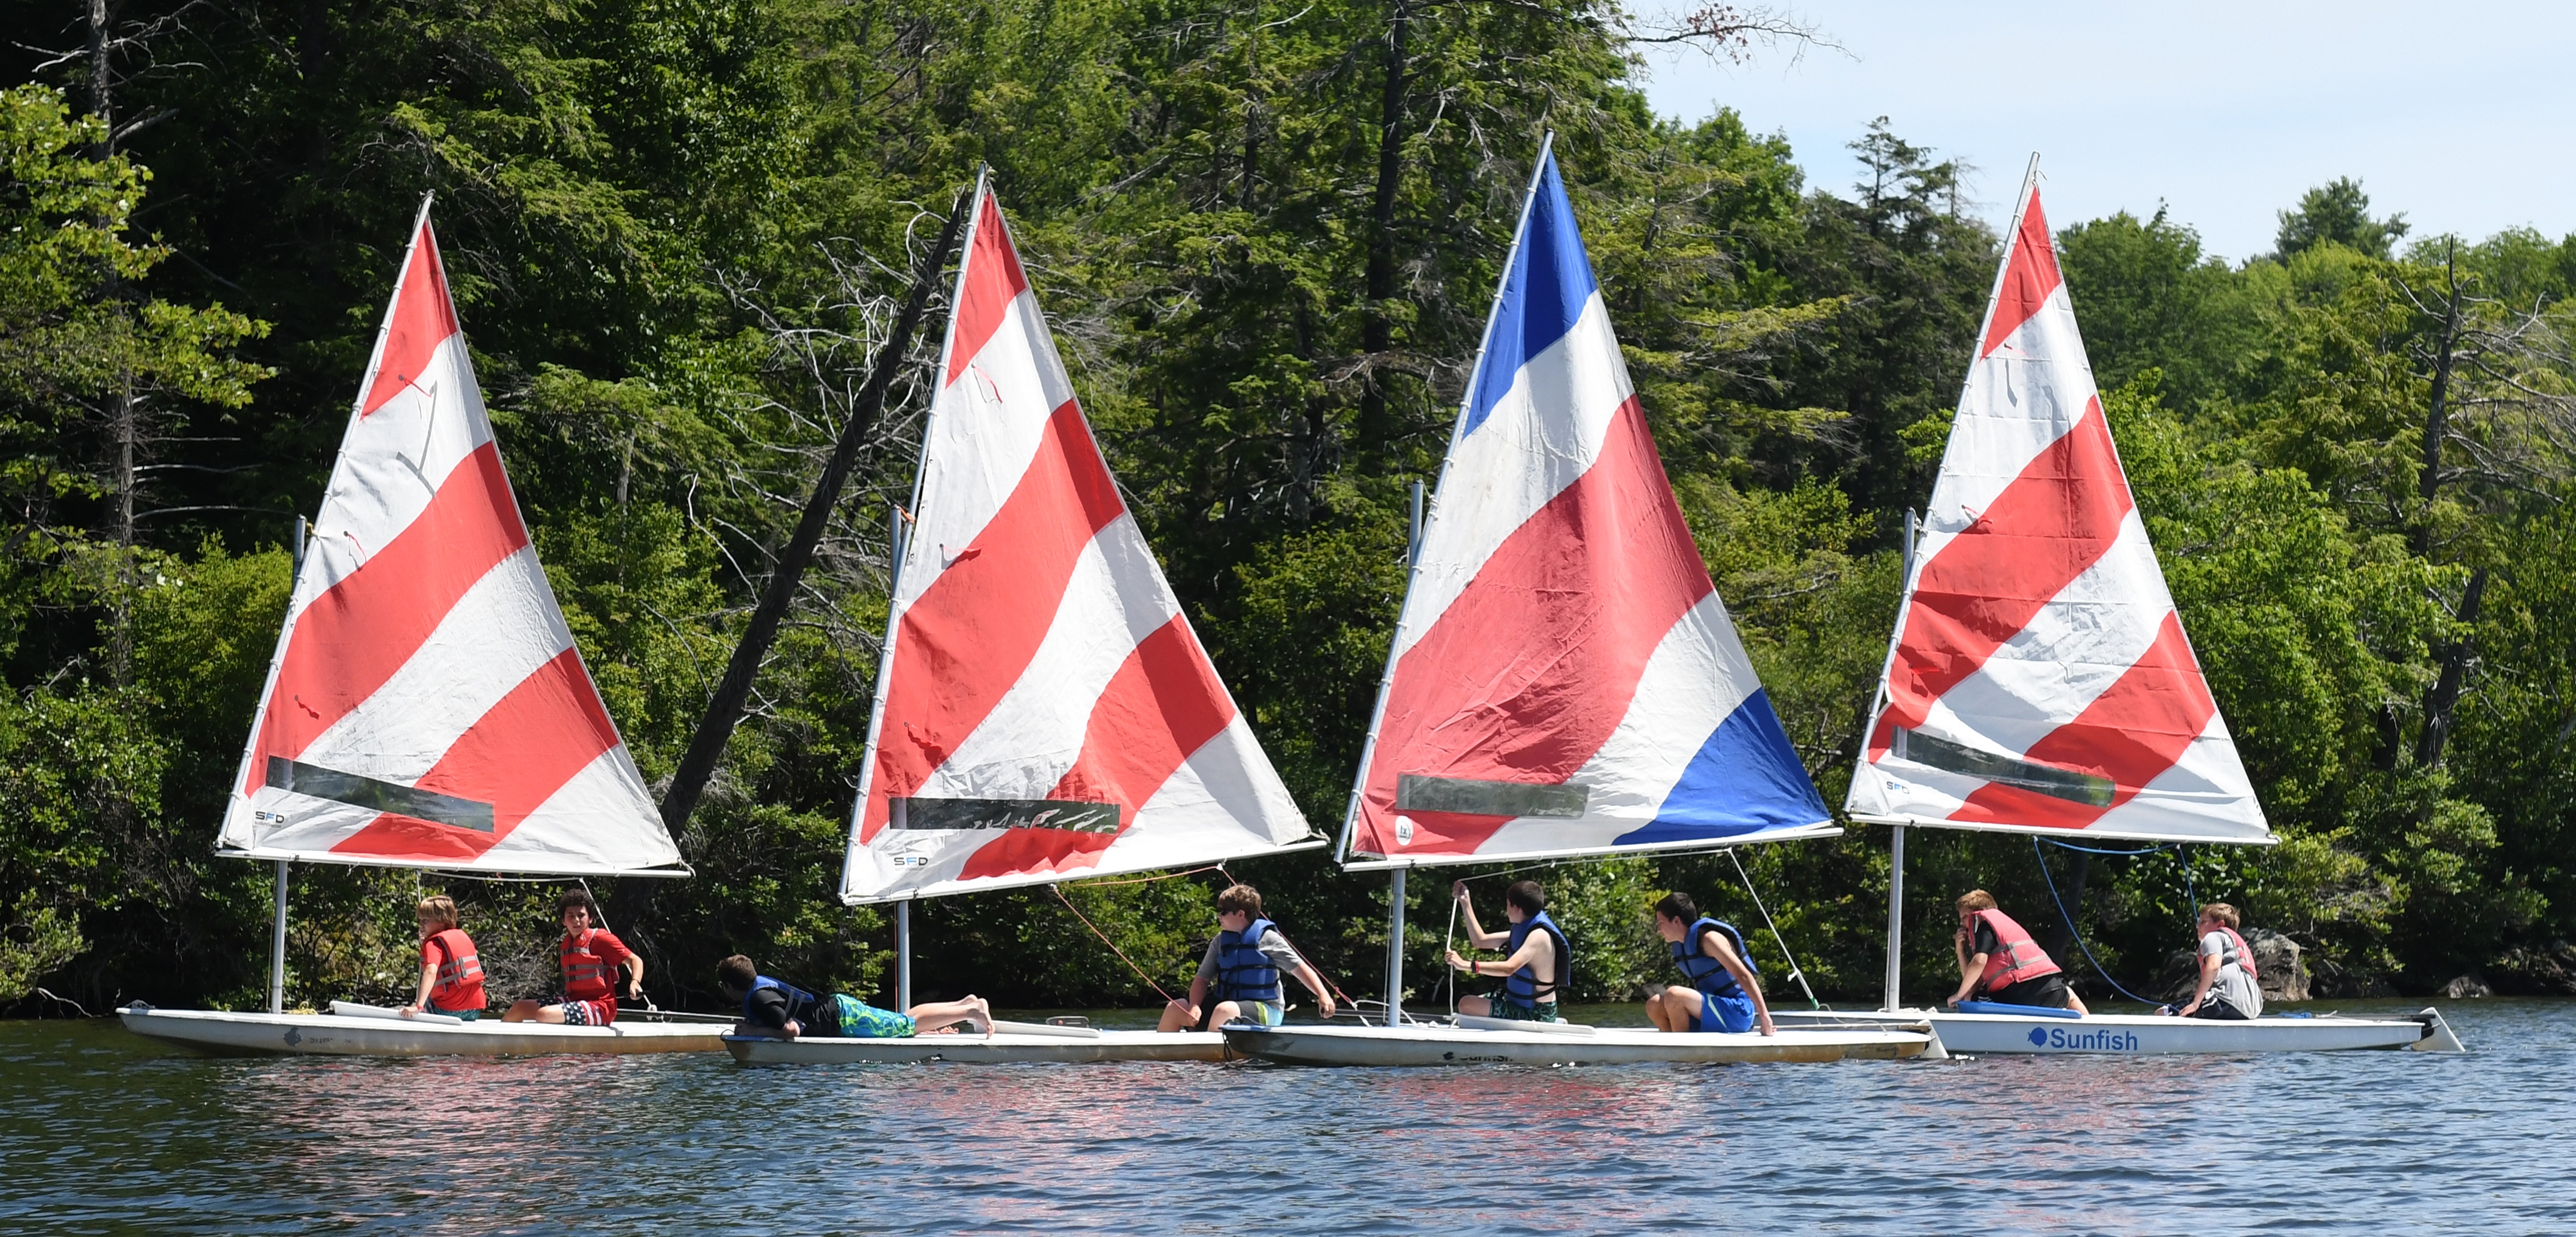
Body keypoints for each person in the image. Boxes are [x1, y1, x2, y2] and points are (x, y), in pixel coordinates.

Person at [1158, 884, 1337, 1032]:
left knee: (1224, 1010)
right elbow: (1202, 979)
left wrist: (1323, 995)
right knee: (1176, 1007)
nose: (1219, 915)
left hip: (1266, 1010)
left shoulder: (1268, 939)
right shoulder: (1220, 941)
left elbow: (1299, 968)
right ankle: (1161, 1061)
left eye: (1224, 911)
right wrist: (1195, 1006)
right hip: (1226, 1008)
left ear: (1241, 914)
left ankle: (1210, 1062)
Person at [715, 955, 990, 1039]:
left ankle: (972, 1011)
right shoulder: (759, 989)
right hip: (839, 1009)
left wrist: (753, 1031)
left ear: (729, 986)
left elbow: (791, 1030)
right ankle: (963, 1004)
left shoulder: (759, 999)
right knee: (904, 1020)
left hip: (843, 1018)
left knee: (906, 1026)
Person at [502, 890, 643, 1024]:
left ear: (591, 919)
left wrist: (635, 982)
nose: (576, 920)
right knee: (520, 1008)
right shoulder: (567, 943)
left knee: (545, 1014)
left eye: (581, 915)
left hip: (601, 1008)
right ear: (564, 921)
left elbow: (635, 960)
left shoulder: (601, 939)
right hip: (573, 1000)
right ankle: (500, 1041)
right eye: (571, 916)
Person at [1644, 893, 1776, 1036]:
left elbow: (1744, 975)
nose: (1659, 930)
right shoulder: (1683, 945)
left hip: (1737, 1012)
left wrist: (1765, 1018)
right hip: (1714, 1008)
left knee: (1674, 995)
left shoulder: (1710, 940)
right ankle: (1678, 1045)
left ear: (1676, 921)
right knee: (1654, 1005)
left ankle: (1683, 1049)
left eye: (1661, 923)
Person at [1445, 879, 1570, 1022]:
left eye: (1507, 904)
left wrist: (1465, 965)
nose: (1506, 910)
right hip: (1516, 1002)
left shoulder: (1539, 937)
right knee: (1474, 1003)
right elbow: (1480, 941)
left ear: (1516, 908)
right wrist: (1465, 902)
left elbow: (1509, 968)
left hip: (1537, 1013)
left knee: (1466, 1004)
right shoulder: (1522, 929)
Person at [1946, 889, 2091, 1014]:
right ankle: (2092, 1029)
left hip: (2018, 995)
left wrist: (1958, 996)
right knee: (2069, 994)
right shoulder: (2005, 927)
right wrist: (1960, 949)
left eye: (1965, 917)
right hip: (2051, 989)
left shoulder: (1984, 925)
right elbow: (1972, 982)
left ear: (1978, 913)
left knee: (1969, 997)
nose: (1962, 923)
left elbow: (1978, 962)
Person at [2167, 903, 2264, 1021]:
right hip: (2251, 1009)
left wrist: (2196, 1003)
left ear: (2220, 924)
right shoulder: (2231, 942)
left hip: (2226, 1001)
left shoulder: (2213, 936)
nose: (2198, 927)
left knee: (2166, 1012)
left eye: (2203, 922)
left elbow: (2213, 966)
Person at [400, 895, 486, 1020]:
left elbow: (431, 971)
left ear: (441, 921)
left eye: (425, 921)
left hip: (449, 1011)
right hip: (474, 1010)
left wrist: (418, 1006)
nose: (420, 924)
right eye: (420, 920)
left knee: (427, 999)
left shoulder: (432, 944)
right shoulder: (461, 936)